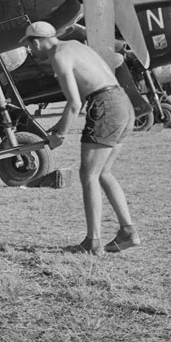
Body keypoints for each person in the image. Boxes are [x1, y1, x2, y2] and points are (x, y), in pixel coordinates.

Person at [19, 21, 140, 255]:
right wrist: (59, 126)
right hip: (122, 102)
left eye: (30, 46)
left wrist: (60, 135)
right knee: (103, 172)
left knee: (88, 174)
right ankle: (128, 232)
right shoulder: (74, 45)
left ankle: (93, 242)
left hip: (105, 105)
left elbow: (74, 103)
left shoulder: (58, 56)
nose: (31, 51)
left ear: (38, 42)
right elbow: (82, 94)